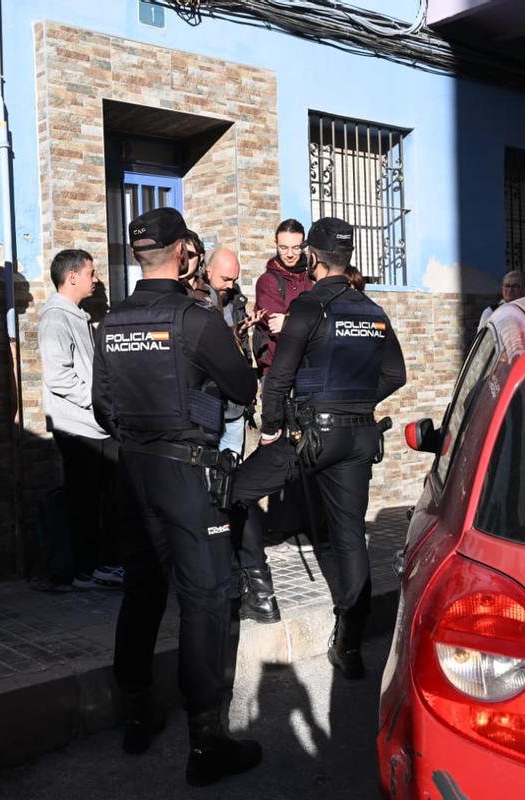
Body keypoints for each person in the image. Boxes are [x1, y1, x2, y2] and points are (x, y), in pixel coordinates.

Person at [93, 207, 262, 786]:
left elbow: (102, 408)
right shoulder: (196, 319)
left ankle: (137, 715)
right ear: (185, 251)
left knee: (142, 592)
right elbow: (243, 386)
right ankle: (205, 741)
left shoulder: (112, 320)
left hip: (134, 470)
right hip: (187, 475)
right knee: (205, 598)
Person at [232, 217, 407, 680]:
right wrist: (355, 401)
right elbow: (396, 375)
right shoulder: (371, 310)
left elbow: (282, 376)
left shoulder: (308, 305)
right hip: (359, 435)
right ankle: (349, 646)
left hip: (309, 435)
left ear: (312, 257)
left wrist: (272, 426)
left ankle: (258, 593)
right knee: (350, 536)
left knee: (235, 492)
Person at [203, 247, 279, 624]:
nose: (230, 285)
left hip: (234, 410)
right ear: (207, 270)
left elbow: (237, 351)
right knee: (211, 490)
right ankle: (223, 570)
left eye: (234, 279)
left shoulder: (236, 300)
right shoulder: (196, 301)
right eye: (225, 279)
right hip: (206, 412)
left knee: (231, 490)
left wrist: (248, 331)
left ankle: (238, 575)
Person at [38, 248, 123, 590]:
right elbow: (58, 377)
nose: (96, 278)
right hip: (77, 426)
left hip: (93, 423)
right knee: (86, 500)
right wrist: (96, 401)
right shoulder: (56, 318)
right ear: (72, 276)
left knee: (105, 497)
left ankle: (100, 565)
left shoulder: (75, 314)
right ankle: (86, 570)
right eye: (91, 272)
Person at [253, 218, 314, 378]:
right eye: (283, 247)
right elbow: (277, 327)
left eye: (296, 248)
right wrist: (310, 324)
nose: (289, 254)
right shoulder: (268, 282)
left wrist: (287, 321)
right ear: (276, 244)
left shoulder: (311, 280)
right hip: (277, 369)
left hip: (307, 368)